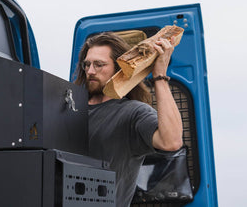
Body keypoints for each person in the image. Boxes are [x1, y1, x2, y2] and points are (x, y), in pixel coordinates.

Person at [74, 32, 183, 207]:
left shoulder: (132, 113)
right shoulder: (68, 108)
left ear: (119, 69)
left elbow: (171, 141)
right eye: (87, 65)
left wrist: (160, 77)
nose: (91, 71)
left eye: (99, 65)